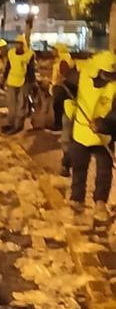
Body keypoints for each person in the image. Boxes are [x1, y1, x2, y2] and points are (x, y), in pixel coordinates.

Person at [69, 51, 116, 211]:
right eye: (106, 74)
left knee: (104, 171)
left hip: (103, 135)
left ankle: (100, 201)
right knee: (79, 167)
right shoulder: (82, 75)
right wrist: (60, 93)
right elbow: (67, 88)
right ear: (97, 70)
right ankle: (76, 199)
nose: (109, 78)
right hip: (81, 131)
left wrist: (105, 124)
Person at [1, 35, 36, 134]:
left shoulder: (29, 54)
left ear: (23, 44)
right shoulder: (11, 53)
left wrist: (32, 83)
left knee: (21, 105)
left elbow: (31, 70)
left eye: (19, 44)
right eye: (16, 43)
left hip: (24, 82)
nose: (17, 45)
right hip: (12, 81)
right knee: (11, 104)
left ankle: (18, 125)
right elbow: (8, 67)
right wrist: (3, 79)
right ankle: (11, 123)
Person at [50, 43, 76, 131]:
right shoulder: (63, 59)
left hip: (61, 88)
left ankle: (58, 125)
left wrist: (56, 83)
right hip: (61, 87)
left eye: (54, 49)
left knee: (58, 107)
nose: (52, 51)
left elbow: (64, 76)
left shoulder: (63, 61)